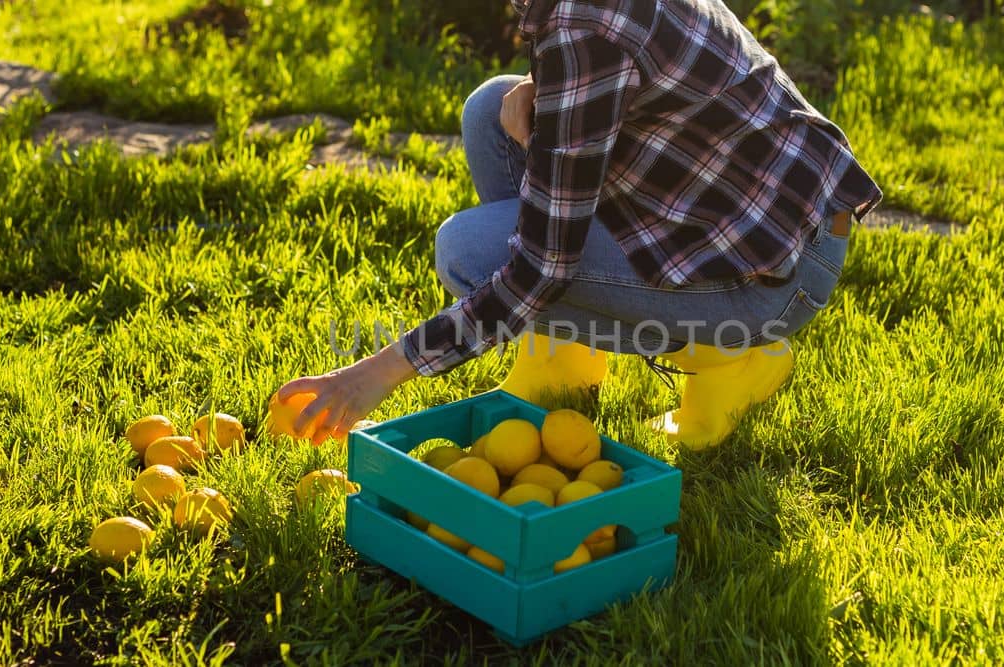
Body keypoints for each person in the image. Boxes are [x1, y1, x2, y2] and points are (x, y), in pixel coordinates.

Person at [277, 0, 880, 449]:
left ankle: (735, 358)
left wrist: (378, 371)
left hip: (774, 275)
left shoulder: (584, 29)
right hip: (747, 211)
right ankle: (562, 365)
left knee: (468, 251)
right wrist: (544, 90)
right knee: (495, 108)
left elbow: (541, 269)